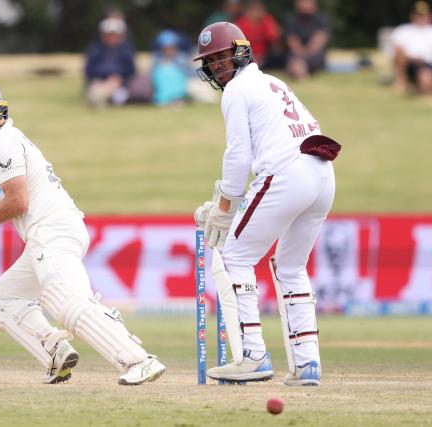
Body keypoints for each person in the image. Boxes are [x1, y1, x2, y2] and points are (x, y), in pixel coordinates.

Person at [0, 80, 166, 385]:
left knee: (64, 299)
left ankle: (139, 360)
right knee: (1, 298)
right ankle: (56, 353)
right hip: (44, 235)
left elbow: (18, 202)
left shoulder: (5, 143)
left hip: (52, 229)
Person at [192, 22, 340, 386]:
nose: (218, 67)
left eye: (223, 57)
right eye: (211, 61)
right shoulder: (273, 81)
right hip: (322, 173)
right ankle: (307, 364)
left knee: (234, 256)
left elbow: (238, 155)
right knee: (290, 266)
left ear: (241, 52)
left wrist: (225, 205)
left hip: (287, 172)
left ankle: (254, 355)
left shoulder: (237, 91)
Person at [84, 17, 136, 108]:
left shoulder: (126, 50)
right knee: (97, 87)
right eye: (109, 34)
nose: (111, 37)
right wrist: (97, 79)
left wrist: (119, 78)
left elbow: (131, 71)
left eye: (114, 34)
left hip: (120, 85)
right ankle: (99, 96)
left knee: (115, 91)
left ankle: (99, 97)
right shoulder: (95, 49)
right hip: (99, 82)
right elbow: (89, 70)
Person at [390, 1, 432, 95]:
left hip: (427, 64)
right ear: (413, 15)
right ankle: (401, 80)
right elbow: (396, 51)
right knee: (399, 51)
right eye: (418, 15)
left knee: (425, 78)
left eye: (423, 15)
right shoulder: (402, 30)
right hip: (408, 63)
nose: (421, 18)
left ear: (429, 15)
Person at [283, 0, 330, 80]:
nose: (305, 5)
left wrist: (304, 57)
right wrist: (300, 54)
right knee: (291, 58)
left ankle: (298, 68)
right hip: (296, 53)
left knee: (315, 57)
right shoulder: (291, 19)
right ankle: (298, 69)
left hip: (314, 54)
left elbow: (319, 40)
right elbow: (292, 41)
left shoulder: (321, 19)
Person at [235, 0, 284, 69]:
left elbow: (275, 37)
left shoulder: (266, 20)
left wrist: (265, 24)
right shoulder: (242, 23)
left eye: (260, 10)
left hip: (265, 55)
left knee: (277, 52)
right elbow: (239, 44)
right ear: (248, 11)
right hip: (248, 54)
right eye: (255, 10)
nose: (258, 13)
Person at [151, 30, 193, 106]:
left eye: (171, 47)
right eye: (166, 48)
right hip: (161, 95)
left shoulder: (181, 59)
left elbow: (189, 73)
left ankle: (177, 99)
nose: (169, 50)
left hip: (180, 91)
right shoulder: (157, 60)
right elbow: (152, 77)